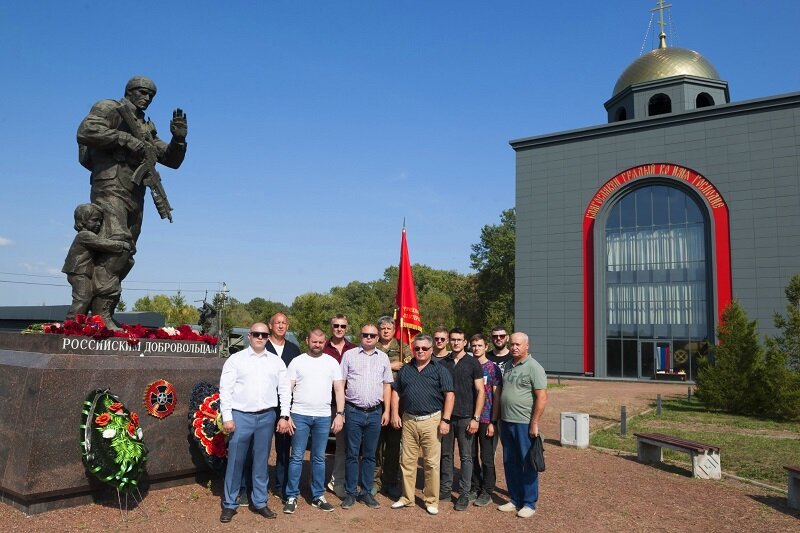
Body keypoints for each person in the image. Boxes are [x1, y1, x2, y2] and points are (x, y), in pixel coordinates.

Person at [76, 76, 187, 323]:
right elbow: (86, 130)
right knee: (118, 245)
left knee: (128, 252)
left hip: (135, 191)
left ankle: (101, 309)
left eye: (150, 95)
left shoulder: (146, 126)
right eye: (142, 92)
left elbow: (170, 159)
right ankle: (100, 314)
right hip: (110, 184)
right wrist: (125, 139)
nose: (146, 98)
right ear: (129, 90)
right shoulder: (110, 108)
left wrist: (178, 140)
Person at [218, 323, 291, 523]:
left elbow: (284, 390)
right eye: (256, 334)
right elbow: (226, 389)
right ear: (249, 336)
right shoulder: (236, 359)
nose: (260, 337)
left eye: (264, 335)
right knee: (235, 461)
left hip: (266, 416)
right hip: (241, 415)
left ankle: (260, 502)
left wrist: (284, 415)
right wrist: (227, 417)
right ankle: (230, 504)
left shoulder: (276, 362)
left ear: (268, 337)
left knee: (261, 461)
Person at [389, 334, 454, 516]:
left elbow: (450, 395)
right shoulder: (406, 370)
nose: (420, 351)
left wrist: (446, 420)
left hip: (432, 421)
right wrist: (395, 413)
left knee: (431, 463)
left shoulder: (440, 370)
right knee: (407, 461)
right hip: (409, 420)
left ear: (431, 350)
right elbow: (396, 392)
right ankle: (407, 498)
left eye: (424, 348)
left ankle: (431, 500)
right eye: (417, 348)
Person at [283, 329, 345, 514]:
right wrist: (286, 415)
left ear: (324, 342)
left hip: (323, 416)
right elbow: (287, 389)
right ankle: (291, 495)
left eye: (320, 342)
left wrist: (340, 413)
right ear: (307, 340)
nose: (317, 345)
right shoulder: (297, 361)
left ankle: (318, 495)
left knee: (318, 458)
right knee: (297, 457)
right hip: (299, 415)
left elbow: (339, 390)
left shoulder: (332, 362)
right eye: (314, 341)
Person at [339, 324, 392, 509]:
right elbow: (341, 382)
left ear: (378, 338)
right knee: (352, 454)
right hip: (353, 411)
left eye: (372, 335)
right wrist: (341, 411)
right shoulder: (349, 355)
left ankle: (367, 492)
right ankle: (351, 493)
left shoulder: (383, 357)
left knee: (370, 455)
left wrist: (387, 410)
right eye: (365, 334)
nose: (368, 337)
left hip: (375, 413)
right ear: (360, 336)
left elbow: (387, 385)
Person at [498, 332, 548, 519]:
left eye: (518, 344)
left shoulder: (534, 367)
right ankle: (515, 498)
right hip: (507, 421)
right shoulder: (509, 365)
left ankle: (529, 502)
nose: (514, 347)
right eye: (511, 344)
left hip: (524, 423)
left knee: (527, 463)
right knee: (510, 461)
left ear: (527, 346)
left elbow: (542, 397)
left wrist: (534, 422)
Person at [438, 328, 485, 510]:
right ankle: (445, 489)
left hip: (466, 417)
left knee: (466, 457)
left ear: (465, 342)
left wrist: (476, 418)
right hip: (448, 417)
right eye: (453, 339)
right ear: (449, 341)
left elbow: (481, 391)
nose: (456, 342)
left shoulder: (473, 363)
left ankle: (464, 494)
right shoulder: (443, 363)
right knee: (446, 454)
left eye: (459, 340)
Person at [62, 203, 130, 320]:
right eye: (95, 220)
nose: (98, 224)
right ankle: (71, 324)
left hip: (83, 273)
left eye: (100, 221)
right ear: (82, 221)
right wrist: (121, 245)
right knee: (83, 298)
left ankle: (79, 323)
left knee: (86, 297)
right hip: (79, 272)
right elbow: (102, 244)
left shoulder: (86, 235)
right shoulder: (85, 235)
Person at [372, 316, 411, 498]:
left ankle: (390, 481)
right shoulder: (372, 346)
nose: (386, 330)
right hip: (376, 402)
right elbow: (368, 368)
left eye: (389, 328)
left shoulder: (403, 348)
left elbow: (411, 368)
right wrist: (391, 365)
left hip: (397, 403)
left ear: (394, 329)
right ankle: (374, 481)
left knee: (394, 446)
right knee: (376, 446)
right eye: (383, 328)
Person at [266, 312, 302, 501]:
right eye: (277, 323)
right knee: (261, 448)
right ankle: (257, 485)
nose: (280, 326)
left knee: (283, 448)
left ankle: (281, 485)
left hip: (286, 406)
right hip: (264, 405)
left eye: (284, 323)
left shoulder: (294, 350)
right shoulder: (263, 346)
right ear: (270, 325)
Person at [323, 313, 356, 498]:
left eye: (343, 326)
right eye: (336, 325)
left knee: (342, 447)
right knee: (319, 447)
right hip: (323, 403)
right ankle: (317, 483)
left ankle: (337, 482)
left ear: (347, 328)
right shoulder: (321, 348)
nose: (339, 329)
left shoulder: (353, 350)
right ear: (331, 327)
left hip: (344, 405)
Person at [468, 334, 502, 507]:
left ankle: (487, 490)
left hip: (487, 418)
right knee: (471, 455)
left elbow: (496, 396)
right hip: (470, 418)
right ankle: (475, 486)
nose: (476, 348)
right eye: (473, 345)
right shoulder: (467, 365)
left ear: (485, 346)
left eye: (479, 345)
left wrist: (493, 422)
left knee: (486, 457)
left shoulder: (492, 368)